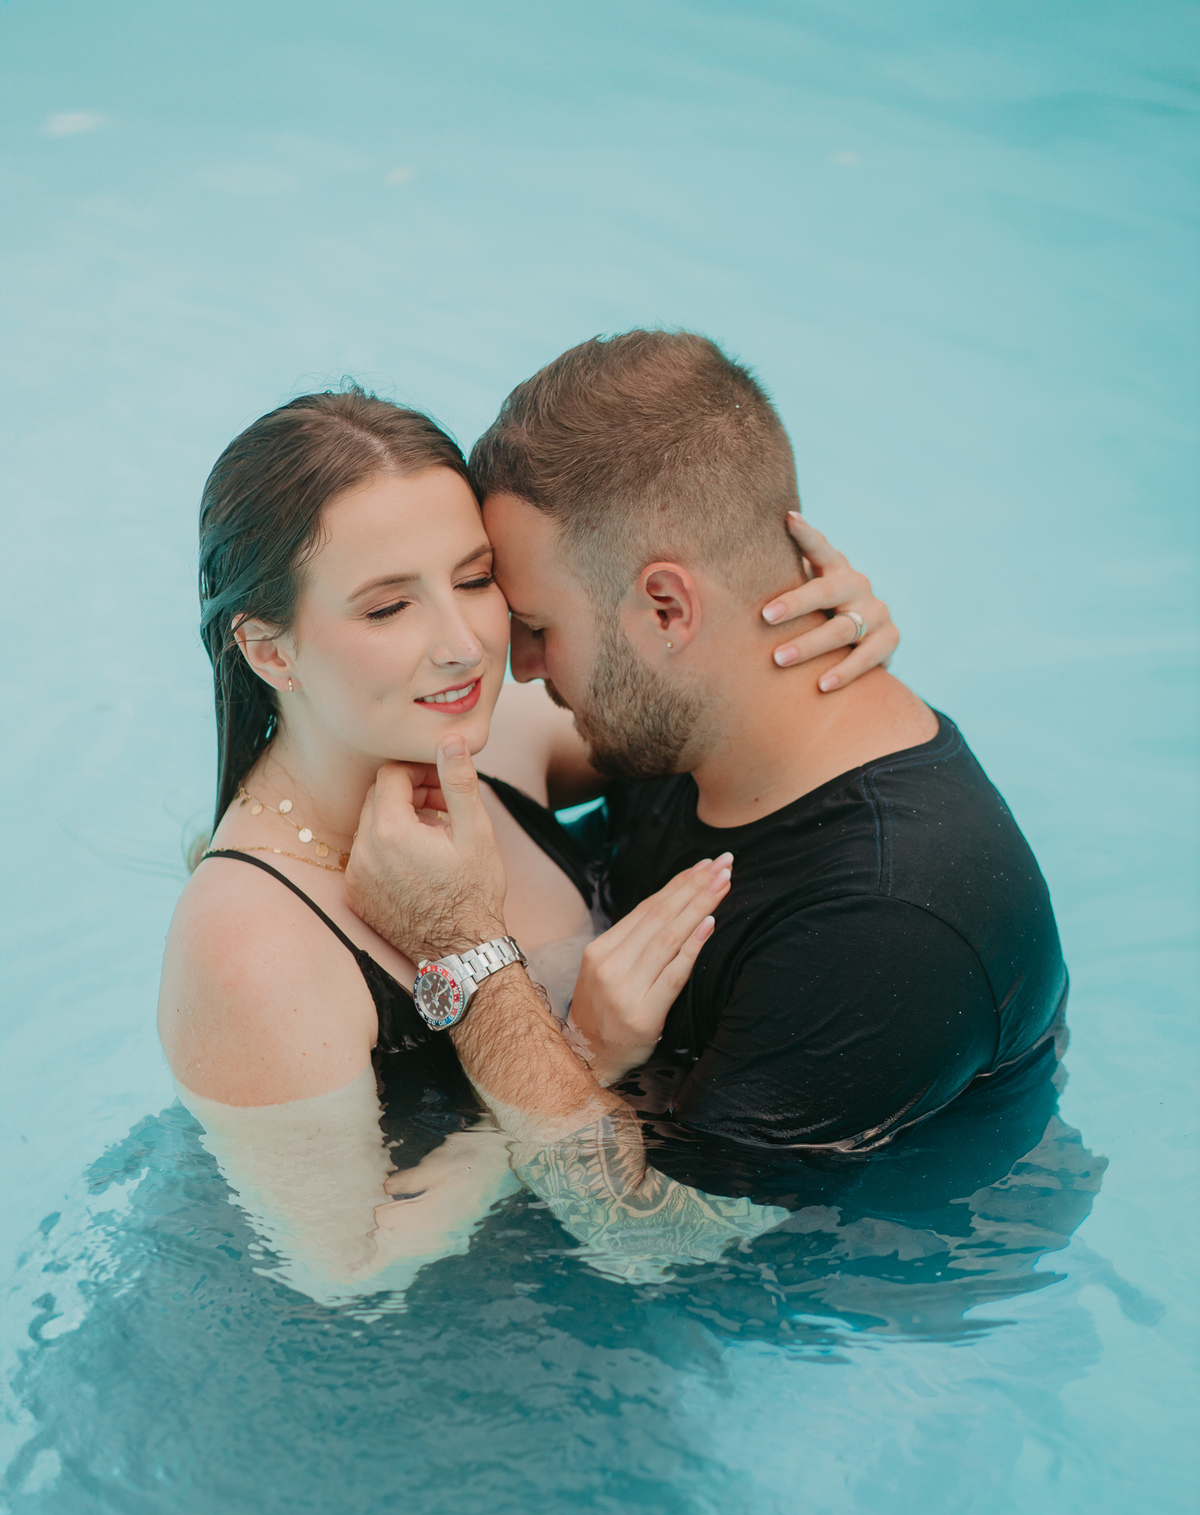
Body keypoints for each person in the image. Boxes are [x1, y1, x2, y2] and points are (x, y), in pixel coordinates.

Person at [157, 386, 896, 1295]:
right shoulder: (252, 942)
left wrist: (809, 628)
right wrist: (584, 1052)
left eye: (474, 580)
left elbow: (695, 706)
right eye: (388, 608)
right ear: (272, 651)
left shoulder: (498, 744)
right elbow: (345, 1272)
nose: (465, 645)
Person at [344, 330, 1068, 1235]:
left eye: (536, 625)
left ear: (667, 608)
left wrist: (469, 959)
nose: (518, 668)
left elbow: (645, 1245)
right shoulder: (705, 715)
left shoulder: (885, 926)